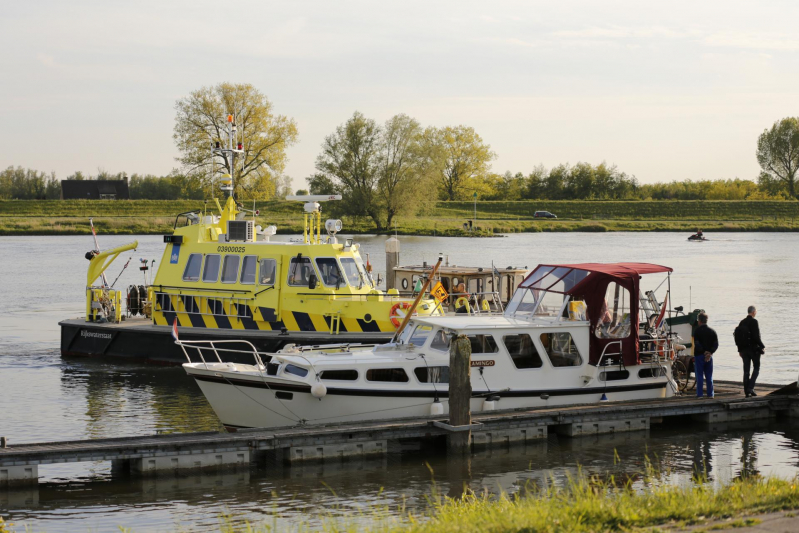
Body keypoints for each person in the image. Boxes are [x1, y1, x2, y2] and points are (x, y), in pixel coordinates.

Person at [737, 305, 765, 397]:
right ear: (753, 312)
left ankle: (747, 391)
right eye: (755, 312)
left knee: (746, 370)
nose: (755, 313)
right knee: (756, 368)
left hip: (744, 350)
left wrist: (739, 350)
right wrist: (762, 346)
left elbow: (738, 337)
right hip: (753, 350)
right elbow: (756, 336)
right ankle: (750, 387)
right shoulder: (754, 322)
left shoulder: (742, 322)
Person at [693, 312, 718, 398]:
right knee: (709, 375)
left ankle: (700, 394)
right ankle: (710, 394)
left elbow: (697, 344)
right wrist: (710, 352)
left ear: (699, 321)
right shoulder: (712, 331)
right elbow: (716, 344)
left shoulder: (697, 331)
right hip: (709, 357)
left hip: (699, 356)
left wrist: (704, 352)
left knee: (699, 375)